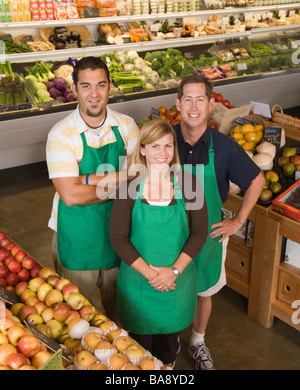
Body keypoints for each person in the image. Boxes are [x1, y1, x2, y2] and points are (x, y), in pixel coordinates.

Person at [174, 73, 265, 370]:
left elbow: (257, 179)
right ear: (178, 104)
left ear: (211, 105)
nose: (194, 106)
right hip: (170, 233)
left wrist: (238, 220)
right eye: (187, 98)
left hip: (210, 236)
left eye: (200, 99)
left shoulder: (224, 147)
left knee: (204, 292)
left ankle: (197, 341)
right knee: (170, 289)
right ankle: (170, 340)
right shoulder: (164, 138)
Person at [46, 56, 140, 321]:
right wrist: (121, 179)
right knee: (77, 316)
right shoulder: (61, 134)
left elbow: (140, 177)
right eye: (86, 86)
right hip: (78, 238)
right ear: (74, 89)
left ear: (110, 86)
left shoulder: (126, 126)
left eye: (101, 85)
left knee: (119, 310)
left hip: (119, 233)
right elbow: (71, 196)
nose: (94, 94)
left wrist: (85, 179)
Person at [110, 119, 208, 367]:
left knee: (167, 351)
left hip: (176, 285)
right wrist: (154, 276)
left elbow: (199, 233)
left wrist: (173, 272)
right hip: (139, 287)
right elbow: (118, 239)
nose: (162, 153)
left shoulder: (189, 186)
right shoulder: (129, 189)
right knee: (137, 353)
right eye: (154, 146)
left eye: (167, 146)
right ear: (142, 150)